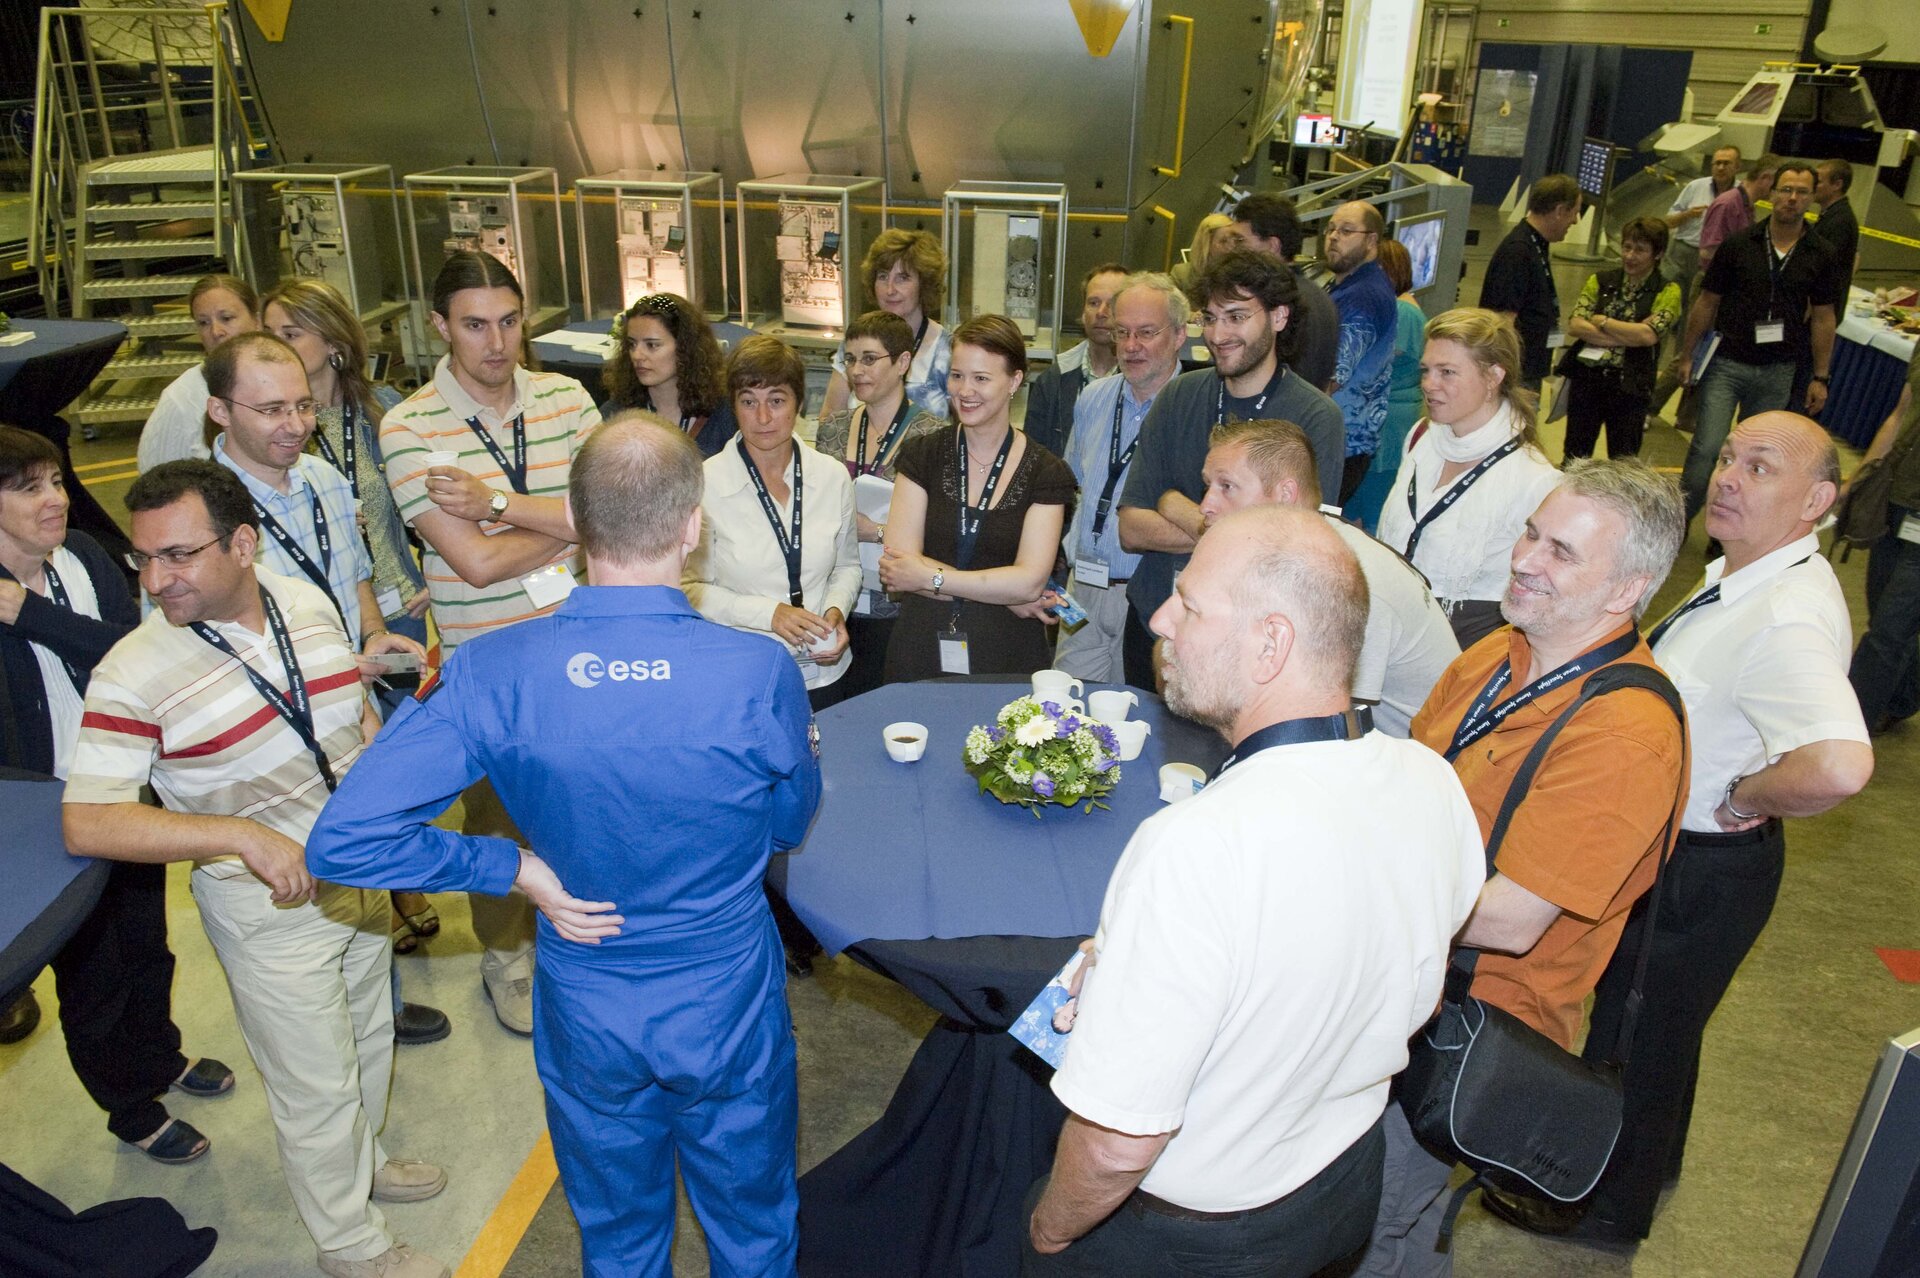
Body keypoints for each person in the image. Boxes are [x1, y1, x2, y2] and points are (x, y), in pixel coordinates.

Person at [306, 414, 822, 1278]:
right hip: (723, 992)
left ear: (576, 526)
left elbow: (344, 841)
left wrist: (512, 869)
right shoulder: (756, 670)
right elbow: (788, 823)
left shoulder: (489, 669)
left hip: (588, 997)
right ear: (693, 526)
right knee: (754, 1223)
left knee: (617, 1237)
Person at [1023, 504, 1484, 1276]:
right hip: (1343, 1186)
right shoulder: (1431, 781)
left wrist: (1049, 1233)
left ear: (1271, 644)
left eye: (1192, 604)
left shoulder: (1195, 846)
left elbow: (1115, 1143)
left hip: (1192, 1237)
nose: (1162, 620)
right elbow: (1407, 981)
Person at [1487, 414, 1874, 1244]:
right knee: (1662, 1033)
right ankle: (1644, 1173)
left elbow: (1841, 764)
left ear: (1817, 501)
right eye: (1730, 455)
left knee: (1637, 1039)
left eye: (1760, 468)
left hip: (1705, 864)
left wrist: (1743, 794)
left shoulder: (1787, 613)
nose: (1729, 476)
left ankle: (1598, 1208)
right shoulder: (1742, 577)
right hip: (1691, 858)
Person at [64, 460, 450, 1278]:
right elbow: (88, 820)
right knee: (313, 1083)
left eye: (178, 555)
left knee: (366, 1034)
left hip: (356, 871)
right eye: (145, 558)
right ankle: (350, 1244)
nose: (155, 579)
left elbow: (327, 708)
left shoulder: (301, 601)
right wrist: (237, 835)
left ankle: (366, 1164)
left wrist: (366, 707)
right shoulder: (131, 671)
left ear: (244, 545)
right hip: (266, 909)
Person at [1358, 458, 1690, 1277]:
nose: (1525, 559)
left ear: (1626, 591)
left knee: (1374, 1227)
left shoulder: (1625, 733)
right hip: (1394, 988)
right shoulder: (1495, 656)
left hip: (1461, 1037)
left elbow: (1509, 919)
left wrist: (1347, 891)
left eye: (1562, 553)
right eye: (1530, 534)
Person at [379, 250, 601, 1035]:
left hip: (581, 650)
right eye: (475, 325)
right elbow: (471, 565)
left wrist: (498, 502)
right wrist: (565, 527)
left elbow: (603, 506)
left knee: (585, 811)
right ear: (439, 326)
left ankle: (582, 941)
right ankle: (507, 958)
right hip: (491, 666)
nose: (497, 342)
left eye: (510, 322)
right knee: (498, 826)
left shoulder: (568, 397)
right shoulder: (407, 427)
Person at [0, 425, 233, 1161]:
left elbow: (139, 654)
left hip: (125, 791)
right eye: (28, 486)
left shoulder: (87, 560)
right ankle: (131, 1107)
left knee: (148, 946)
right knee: (91, 972)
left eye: (56, 481)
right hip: (46, 818)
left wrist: (29, 614)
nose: (55, 500)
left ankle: (160, 1057)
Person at [1117, 250, 1345, 687]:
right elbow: (1131, 529)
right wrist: (1235, 527)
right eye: (1211, 317)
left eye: (1237, 317)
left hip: (1245, 644)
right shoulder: (1179, 395)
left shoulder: (1316, 417)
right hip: (1155, 623)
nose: (1218, 334)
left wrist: (1173, 504)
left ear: (1278, 317)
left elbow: (1291, 550)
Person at [1198, 418, 1458, 737]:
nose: (1205, 505)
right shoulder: (1301, 554)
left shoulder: (1352, 580)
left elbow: (1335, 729)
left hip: (1412, 760)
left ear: (1284, 494)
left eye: (1227, 487)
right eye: (1208, 485)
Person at [878, 314, 1074, 681]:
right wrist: (1005, 594)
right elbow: (898, 570)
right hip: (921, 647)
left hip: (1007, 654)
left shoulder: (1046, 473)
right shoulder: (922, 455)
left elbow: (1030, 582)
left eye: (981, 378)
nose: (964, 391)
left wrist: (930, 577)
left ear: (1015, 380)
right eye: (957, 375)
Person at [260, 279, 434, 672]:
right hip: (317, 621)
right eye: (268, 334)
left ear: (334, 343)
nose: (275, 346)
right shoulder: (273, 431)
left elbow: (426, 502)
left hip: (399, 609)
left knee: (395, 727)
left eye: (291, 334)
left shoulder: (383, 409)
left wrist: (435, 575)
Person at [685, 335, 861, 708]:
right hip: (742, 676)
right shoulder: (703, 484)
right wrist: (770, 614)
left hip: (824, 669)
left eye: (777, 401)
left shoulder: (831, 476)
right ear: (733, 406)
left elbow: (847, 566)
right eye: (749, 402)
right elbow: (689, 588)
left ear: (799, 403)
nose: (763, 418)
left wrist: (835, 610)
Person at [1374, 309, 1562, 647]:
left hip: (1466, 647)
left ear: (1493, 377)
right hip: (1394, 630)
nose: (1429, 384)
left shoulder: (1535, 480)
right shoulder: (1421, 437)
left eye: (1447, 372)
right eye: (1426, 371)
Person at [1673, 161, 1842, 525]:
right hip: (1726, 363)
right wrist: (1687, 355)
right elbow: (1707, 301)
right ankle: (1679, 523)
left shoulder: (1822, 253)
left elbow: (1825, 317)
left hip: (1778, 370)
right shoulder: (1739, 244)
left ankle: (1731, 530)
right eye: (1786, 190)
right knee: (1706, 449)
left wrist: (1821, 376)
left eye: (1801, 192)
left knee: (1760, 461)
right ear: (1772, 193)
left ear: (1812, 198)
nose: (1792, 199)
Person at [1053, 272, 1188, 683]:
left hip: (1146, 596)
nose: (1131, 347)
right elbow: (1069, 487)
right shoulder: (1093, 398)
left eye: (1146, 333)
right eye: (1122, 332)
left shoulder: (1194, 408)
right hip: (1080, 590)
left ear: (1180, 335)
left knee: (1135, 718)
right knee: (1064, 707)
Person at [812, 309, 947, 698]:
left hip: (900, 605)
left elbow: (939, 531)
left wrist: (877, 531)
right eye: (851, 359)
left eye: (870, 359)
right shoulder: (832, 430)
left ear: (903, 362)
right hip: (838, 601)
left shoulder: (931, 437)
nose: (857, 370)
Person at [1560, 216, 1684, 460]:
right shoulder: (1600, 280)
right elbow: (1575, 324)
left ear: (1657, 254)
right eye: (1627, 247)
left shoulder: (1668, 291)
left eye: (1640, 250)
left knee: (1623, 460)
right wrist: (1630, 333)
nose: (1630, 256)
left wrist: (1604, 322)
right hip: (1588, 381)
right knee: (1574, 455)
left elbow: (1649, 336)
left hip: (1631, 387)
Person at [1647, 145, 1742, 435]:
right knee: (1670, 324)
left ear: (1737, 167)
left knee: (1698, 339)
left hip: (1714, 268)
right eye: (1716, 162)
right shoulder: (1695, 187)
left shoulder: (1739, 197)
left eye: (1726, 163)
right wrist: (1689, 214)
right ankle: (1650, 398)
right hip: (1684, 255)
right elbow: (1667, 220)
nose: (1721, 167)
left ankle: (1685, 414)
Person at [1849, 363, 1920, 733]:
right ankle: (1904, 695)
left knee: (1889, 629)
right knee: (1885, 615)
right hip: (1898, 500)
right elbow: (1900, 414)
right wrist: (1862, 476)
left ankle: (1846, 725)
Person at [821, 228, 952, 420]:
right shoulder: (855, 342)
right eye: (883, 277)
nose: (890, 289)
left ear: (924, 284)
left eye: (903, 278)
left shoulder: (948, 351)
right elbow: (829, 419)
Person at [1344, 239, 1428, 532]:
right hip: (1389, 416)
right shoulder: (1405, 306)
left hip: (1390, 423)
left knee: (1371, 510)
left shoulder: (1402, 312)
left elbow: (1366, 363)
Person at [137, 274, 260, 473]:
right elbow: (153, 483)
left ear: (257, 320)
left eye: (226, 318)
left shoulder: (283, 379)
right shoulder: (179, 400)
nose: (216, 331)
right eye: (203, 323)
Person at [1220, 193, 1339, 390]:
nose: (1233, 250)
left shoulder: (1279, 301)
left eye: (1240, 241)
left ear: (1273, 246)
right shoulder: (1319, 296)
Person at [601, 291, 738, 458]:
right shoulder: (614, 414)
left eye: (652, 345)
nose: (637, 355)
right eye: (632, 344)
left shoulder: (726, 414)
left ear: (684, 348)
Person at [1479, 174, 1582, 389]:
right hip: (1516, 377)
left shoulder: (1535, 245)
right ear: (1560, 211)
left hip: (1528, 370)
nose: (1575, 220)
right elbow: (1503, 322)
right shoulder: (1518, 252)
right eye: (1574, 212)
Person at [1324, 200, 1398, 500]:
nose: (1333, 236)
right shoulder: (1348, 286)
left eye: (1346, 230)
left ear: (1371, 240)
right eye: (1330, 229)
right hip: (1338, 442)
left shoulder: (1364, 297)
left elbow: (1330, 379)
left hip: (1341, 446)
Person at [1021, 263, 1128, 458]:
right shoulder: (1052, 381)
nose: (1101, 312)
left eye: (1112, 304)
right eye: (1093, 303)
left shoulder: (1143, 380)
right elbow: (1031, 457)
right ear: (1083, 312)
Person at [1697, 154, 1778, 275]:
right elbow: (1708, 252)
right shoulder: (1728, 204)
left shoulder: (1746, 205)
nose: (1777, 190)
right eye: (1776, 185)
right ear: (1765, 178)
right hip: (1715, 284)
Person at [1808, 159, 1860, 299]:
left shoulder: (1840, 221)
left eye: (1818, 182)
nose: (1812, 187)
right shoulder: (1831, 215)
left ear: (1837, 185)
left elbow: (1824, 268)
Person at [1169, 212, 1230, 297]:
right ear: (1206, 244)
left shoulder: (1238, 279)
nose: (1231, 247)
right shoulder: (1181, 275)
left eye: (1235, 241)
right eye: (1223, 241)